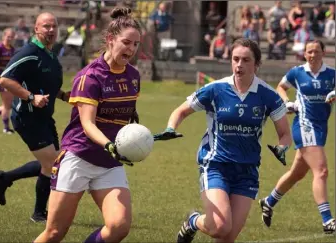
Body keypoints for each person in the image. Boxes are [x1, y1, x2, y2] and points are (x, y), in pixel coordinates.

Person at [154, 38, 292, 243]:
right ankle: (193, 221)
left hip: (247, 171)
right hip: (216, 165)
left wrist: (282, 148)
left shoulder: (269, 96)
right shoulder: (216, 89)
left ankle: (194, 221)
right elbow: (181, 111)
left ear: (257, 64)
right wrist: (170, 128)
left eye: (246, 60)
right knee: (219, 226)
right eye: (235, 59)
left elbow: (284, 134)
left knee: (226, 238)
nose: (239, 64)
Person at [34, 7, 141, 243]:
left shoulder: (133, 76)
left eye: (136, 44)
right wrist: (111, 145)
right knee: (54, 233)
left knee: (119, 226)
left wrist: (135, 128)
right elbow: (87, 124)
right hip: (78, 158)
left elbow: (125, 109)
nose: (131, 49)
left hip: (109, 163)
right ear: (111, 40)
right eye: (126, 42)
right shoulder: (89, 77)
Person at [0, 12, 70, 222]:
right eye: (46, 26)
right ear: (36, 29)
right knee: (53, 162)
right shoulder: (30, 52)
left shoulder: (50, 55)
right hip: (28, 117)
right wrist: (31, 97)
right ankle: (38, 213)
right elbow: (5, 79)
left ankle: (4, 178)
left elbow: (48, 84)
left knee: (52, 162)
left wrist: (63, 96)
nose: (51, 30)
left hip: (44, 118)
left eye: (53, 26)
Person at [259, 40, 336, 234]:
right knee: (322, 171)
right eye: (309, 52)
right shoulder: (297, 72)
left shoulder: (331, 74)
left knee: (297, 174)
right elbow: (281, 87)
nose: (312, 55)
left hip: (320, 127)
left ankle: (268, 202)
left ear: (323, 52)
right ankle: (328, 221)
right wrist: (288, 102)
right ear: (304, 54)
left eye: (316, 51)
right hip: (304, 125)